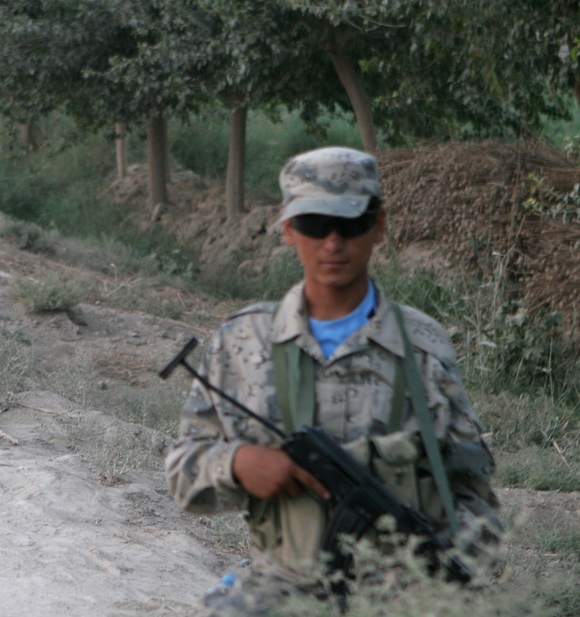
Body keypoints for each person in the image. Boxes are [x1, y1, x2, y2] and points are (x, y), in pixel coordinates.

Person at [165, 147, 501, 614]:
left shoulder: (423, 347)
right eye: (315, 225)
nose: (332, 242)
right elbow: (183, 474)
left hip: (399, 597)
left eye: (351, 223)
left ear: (378, 226)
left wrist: (448, 575)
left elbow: (472, 488)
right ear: (287, 230)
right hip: (283, 589)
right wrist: (240, 464)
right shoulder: (242, 342)